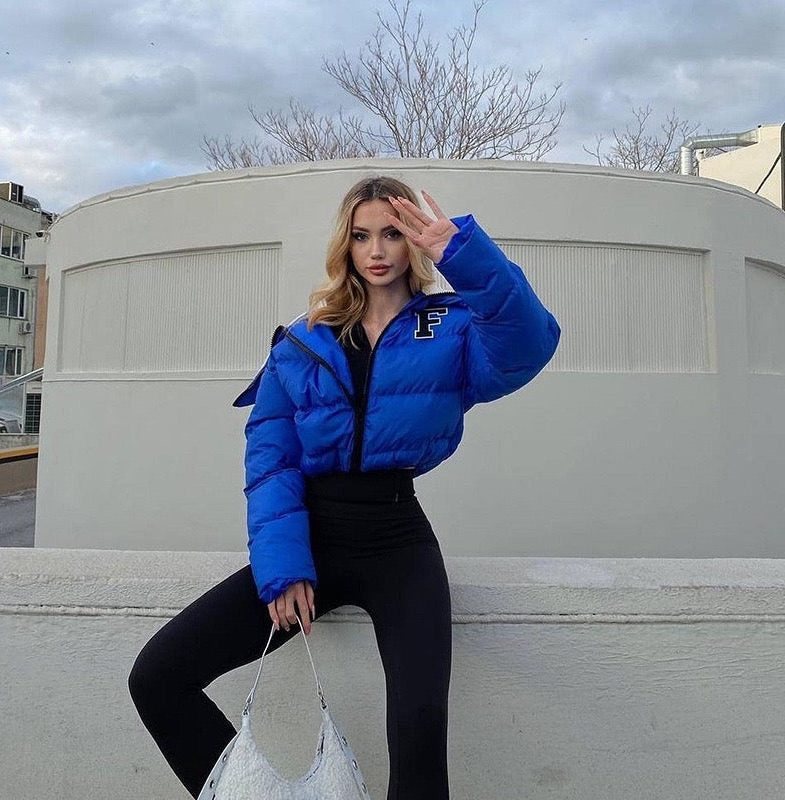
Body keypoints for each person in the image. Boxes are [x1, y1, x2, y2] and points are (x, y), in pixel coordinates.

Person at [128, 175, 560, 799]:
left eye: (393, 233)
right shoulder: (302, 340)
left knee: (419, 731)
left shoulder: (453, 327)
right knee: (158, 676)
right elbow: (270, 458)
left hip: (399, 541)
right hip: (313, 539)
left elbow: (530, 345)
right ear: (345, 244)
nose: (377, 250)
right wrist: (283, 568)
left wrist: (464, 254)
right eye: (361, 236)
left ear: (414, 242)